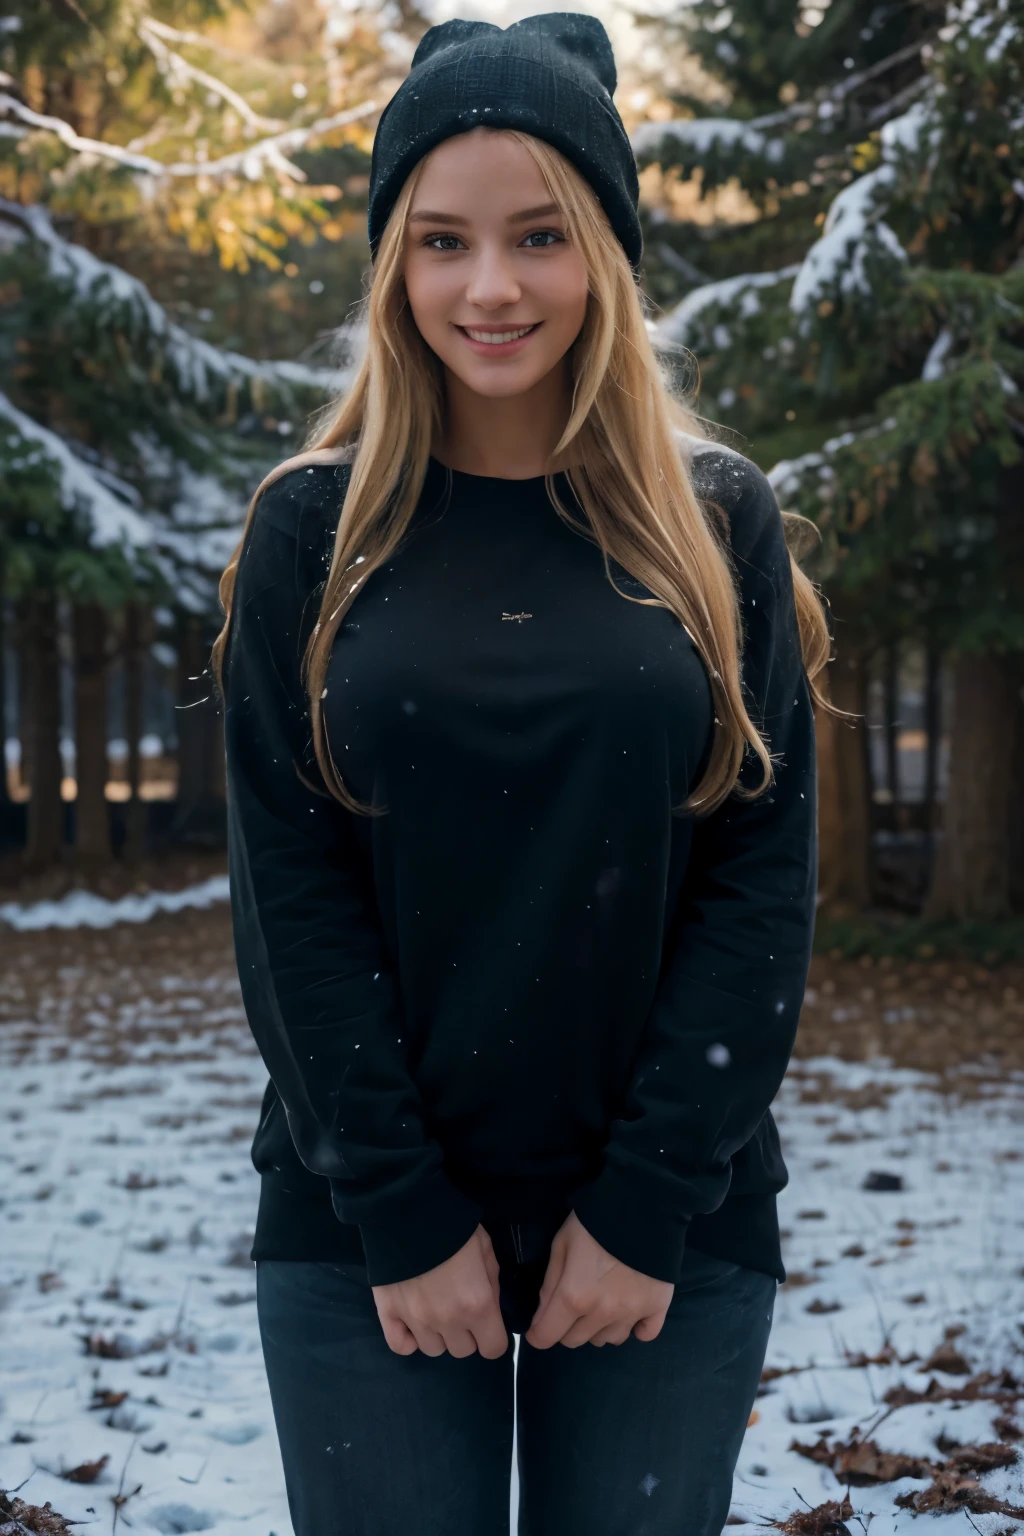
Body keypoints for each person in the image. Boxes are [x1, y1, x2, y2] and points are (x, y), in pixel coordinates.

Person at [212, 13, 831, 1535]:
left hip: (661, 1232)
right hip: (367, 1230)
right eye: (443, 241)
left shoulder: (714, 524)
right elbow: (291, 900)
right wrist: (405, 1212)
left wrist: (642, 1203)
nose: (490, 287)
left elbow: (759, 889)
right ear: (393, 265)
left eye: (540, 235)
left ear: (606, 256)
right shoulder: (313, 531)